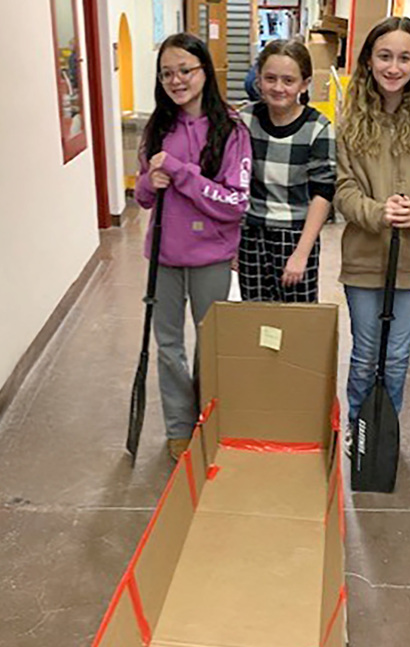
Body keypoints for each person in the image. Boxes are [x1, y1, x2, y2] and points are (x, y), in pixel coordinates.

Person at [335, 17, 410, 453]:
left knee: (397, 356)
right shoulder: (350, 122)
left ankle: (384, 430)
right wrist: (376, 213)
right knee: (367, 353)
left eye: (405, 57)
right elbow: (343, 188)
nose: (394, 66)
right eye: (385, 55)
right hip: (366, 260)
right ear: (369, 60)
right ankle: (358, 426)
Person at [135, 33, 252, 461]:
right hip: (163, 255)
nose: (177, 79)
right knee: (168, 346)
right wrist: (151, 180)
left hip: (211, 258)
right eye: (167, 72)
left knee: (210, 345)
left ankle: (209, 419)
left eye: (185, 69)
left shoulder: (231, 129)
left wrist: (182, 173)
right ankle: (179, 428)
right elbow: (143, 197)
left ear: (205, 70)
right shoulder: (157, 127)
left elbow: (235, 202)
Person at [238, 39, 336, 303]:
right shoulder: (244, 120)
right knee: (254, 315)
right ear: (258, 79)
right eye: (270, 78)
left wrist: (301, 253)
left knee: (297, 321)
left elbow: (323, 193)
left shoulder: (318, 128)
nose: (278, 87)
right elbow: (234, 183)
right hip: (251, 232)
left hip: (296, 234)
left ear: (304, 84)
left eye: (288, 80)